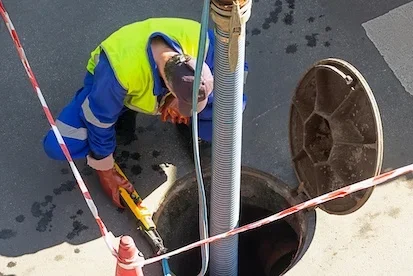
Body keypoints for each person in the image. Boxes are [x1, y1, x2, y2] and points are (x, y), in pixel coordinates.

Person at [43, 17, 248, 208]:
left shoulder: (202, 42)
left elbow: (238, 71)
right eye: (184, 103)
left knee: (230, 106)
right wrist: (104, 168)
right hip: (111, 92)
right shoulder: (120, 71)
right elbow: (97, 119)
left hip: (154, 91)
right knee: (59, 145)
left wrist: (177, 102)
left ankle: (197, 132)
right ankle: (122, 115)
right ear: (168, 84)